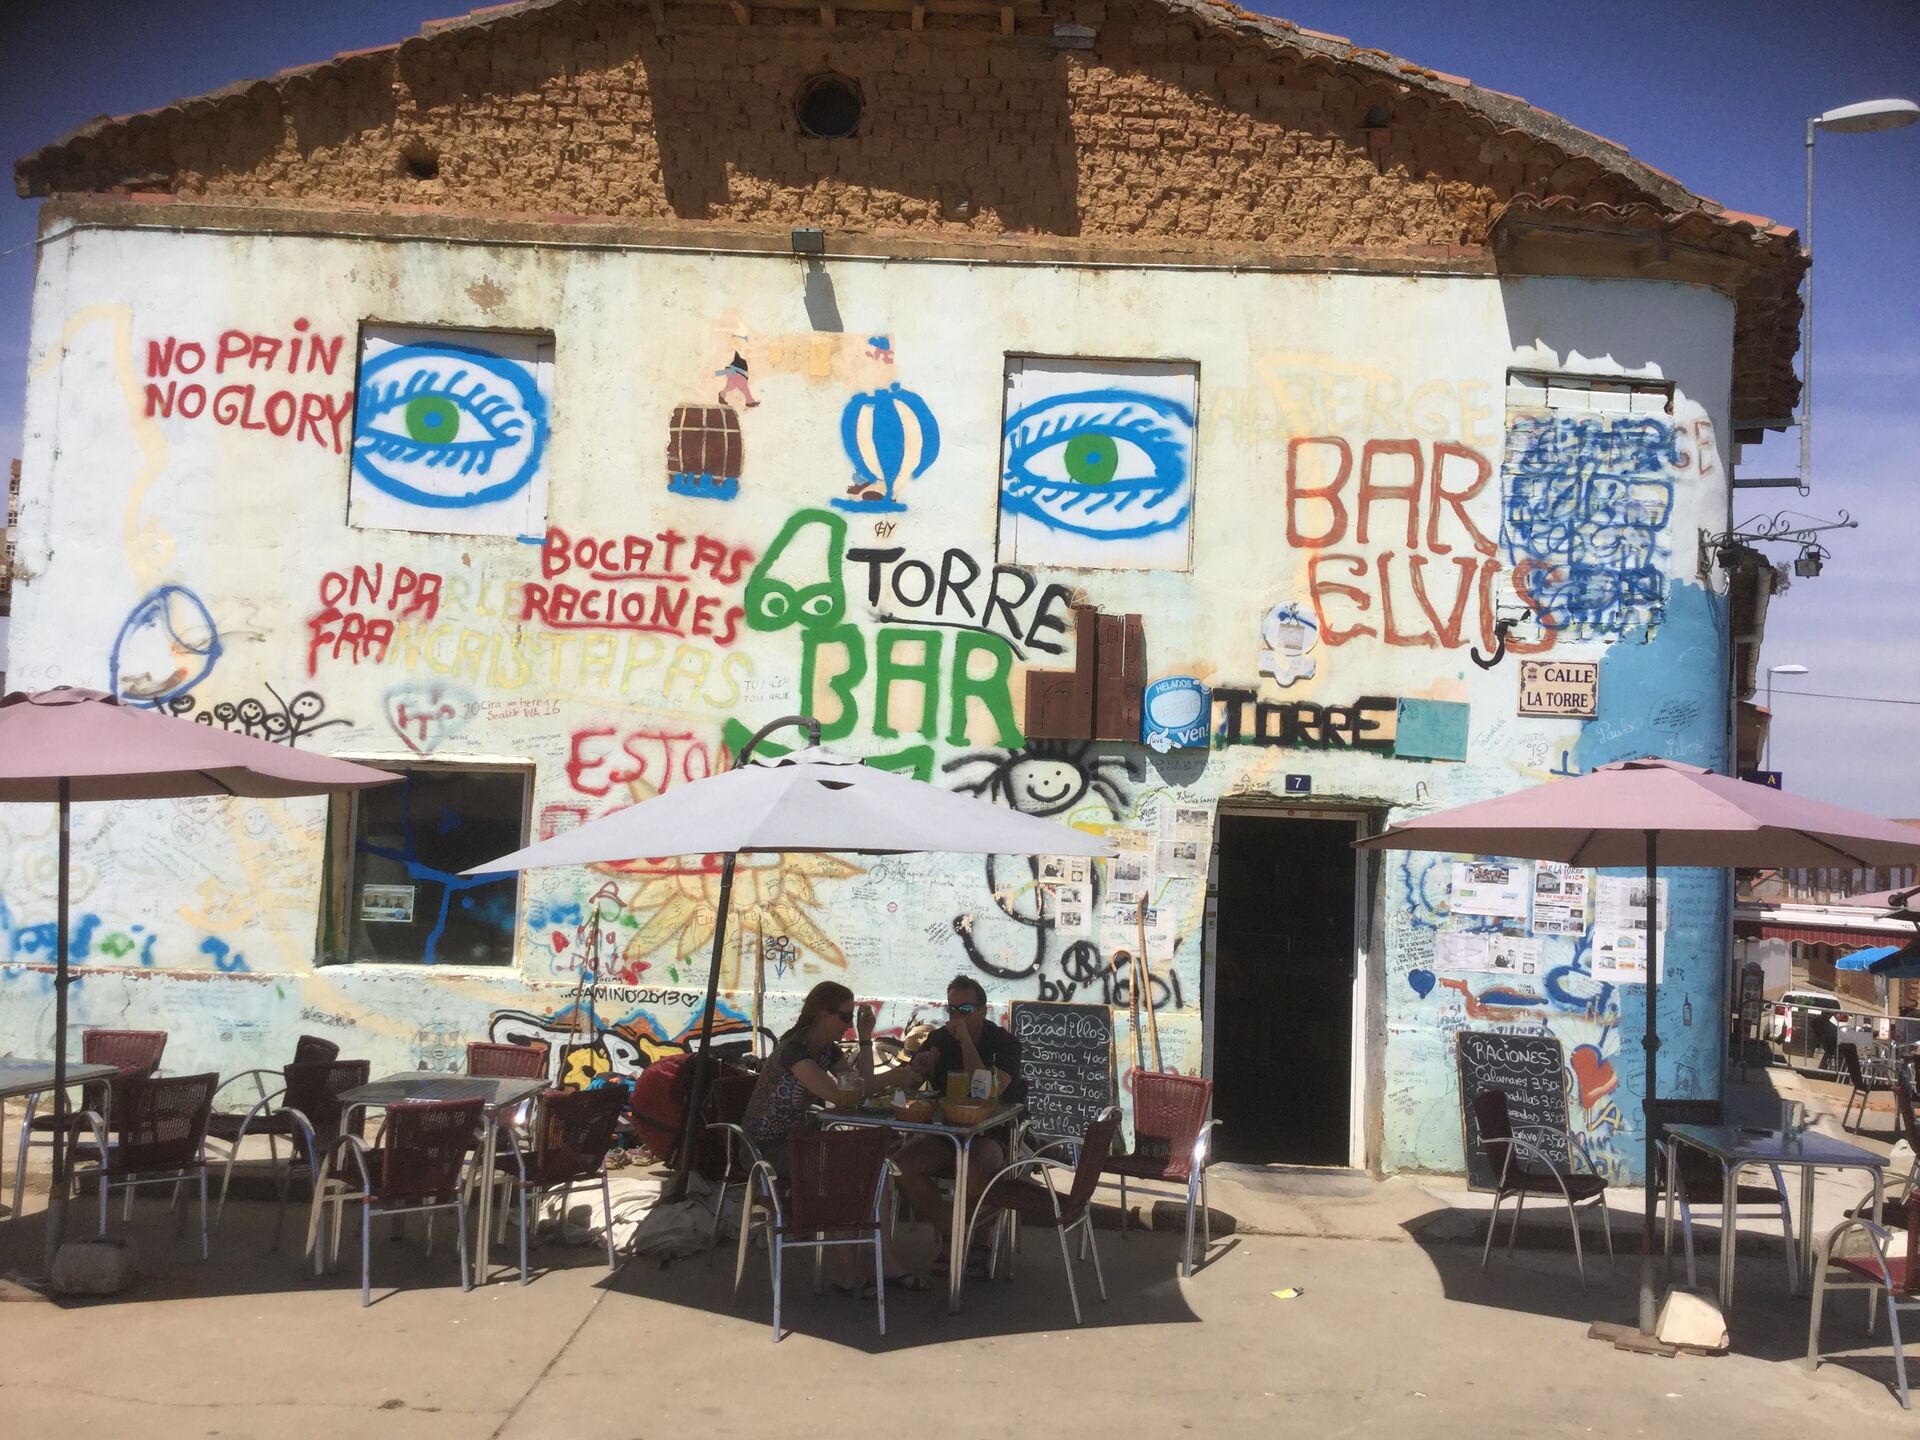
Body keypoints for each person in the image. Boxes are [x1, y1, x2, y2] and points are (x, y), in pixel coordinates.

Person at [740, 980, 925, 1293]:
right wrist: (893, 1076)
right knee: (847, 1173)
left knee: (876, 1171)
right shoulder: (794, 1051)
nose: (848, 1024)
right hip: (766, 1149)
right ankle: (848, 1272)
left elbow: (859, 1085)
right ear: (821, 1014)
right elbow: (840, 1095)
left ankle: (883, 1264)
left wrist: (865, 1039)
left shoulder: (826, 1049)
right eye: (844, 1017)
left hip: (802, 1140)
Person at [893, 975, 1023, 1271]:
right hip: (946, 1132)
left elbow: (986, 1092)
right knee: (901, 1166)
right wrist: (918, 1067)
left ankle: (980, 1241)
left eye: (965, 1009)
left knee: (974, 1168)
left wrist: (965, 1041)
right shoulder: (939, 1039)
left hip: (991, 1132)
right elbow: (911, 1082)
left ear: (983, 1010)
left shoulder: (1005, 1044)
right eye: (951, 1009)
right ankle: (955, 1232)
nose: (957, 1016)